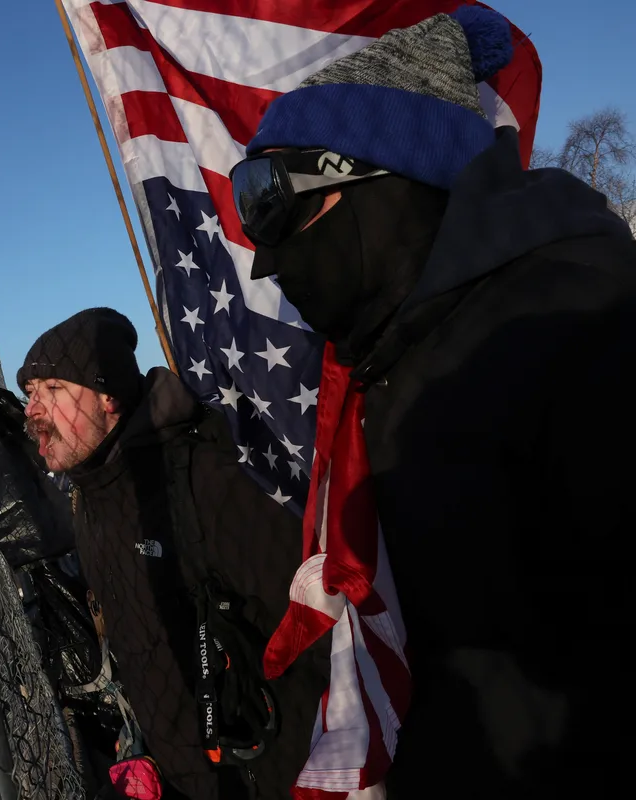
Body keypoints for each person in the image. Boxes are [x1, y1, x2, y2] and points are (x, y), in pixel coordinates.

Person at [231, 5, 636, 797]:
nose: (268, 265)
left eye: (275, 202)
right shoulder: (392, 364)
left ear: (380, 179)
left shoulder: (578, 331)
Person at [18, 308, 328, 800]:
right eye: (30, 394)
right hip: (182, 773)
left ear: (107, 396)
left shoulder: (203, 476)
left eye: (53, 390)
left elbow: (316, 633)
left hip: (269, 771)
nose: (33, 409)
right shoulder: (88, 497)